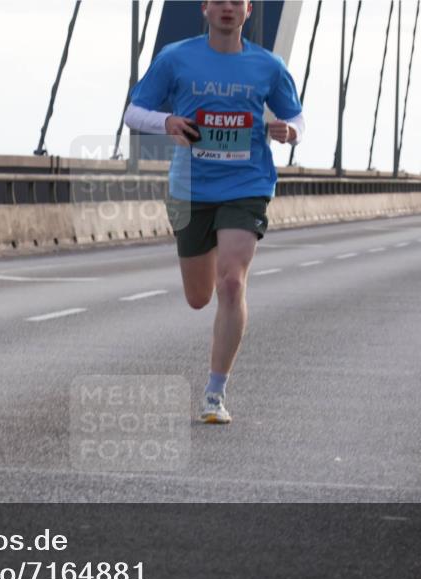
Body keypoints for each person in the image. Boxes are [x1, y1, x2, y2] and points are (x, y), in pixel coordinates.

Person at [124, 0, 304, 424]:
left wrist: (291, 131)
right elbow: (134, 112)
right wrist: (166, 122)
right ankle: (214, 383)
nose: (227, 7)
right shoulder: (176, 58)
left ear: (247, 11)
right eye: (218, 0)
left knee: (230, 282)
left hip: (247, 185)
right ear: (205, 9)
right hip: (190, 189)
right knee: (199, 296)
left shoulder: (269, 66)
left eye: (236, 2)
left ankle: (214, 393)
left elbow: (295, 115)